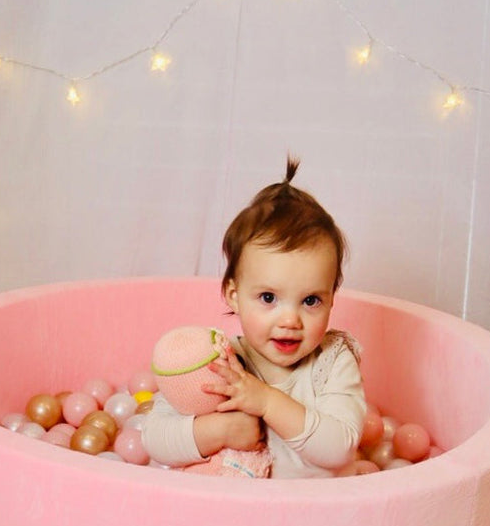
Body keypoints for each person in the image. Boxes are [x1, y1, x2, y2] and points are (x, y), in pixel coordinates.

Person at [143, 158, 366, 478]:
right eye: (268, 298)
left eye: (311, 300)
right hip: (237, 518)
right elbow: (155, 438)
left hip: (314, 517)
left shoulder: (332, 363)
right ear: (234, 294)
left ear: (332, 299)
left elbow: (340, 448)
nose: (290, 320)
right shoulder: (222, 361)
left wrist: (266, 402)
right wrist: (223, 429)